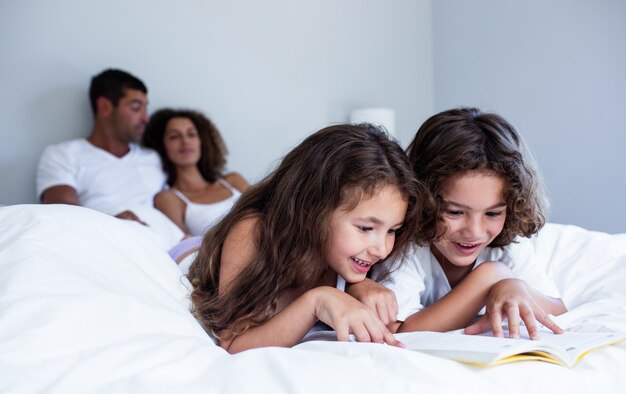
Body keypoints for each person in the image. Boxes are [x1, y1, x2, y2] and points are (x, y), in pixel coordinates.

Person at [187, 124, 436, 353]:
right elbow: (233, 343)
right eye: (364, 228)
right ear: (312, 210)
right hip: (192, 253)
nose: (382, 250)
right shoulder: (253, 233)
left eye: (392, 230)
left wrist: (356, 286)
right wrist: (317, 300)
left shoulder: (355, 258)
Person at [348, 107, 567, 340]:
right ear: (423, 198)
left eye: (493, 213)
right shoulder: (407, 248)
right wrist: (489, 278)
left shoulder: (508, 247)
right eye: (454, 212)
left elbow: (558, 310)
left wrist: (516, 288)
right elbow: (400, 330)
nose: (474, 232)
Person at [36, 68, 183, 248]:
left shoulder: (153, 157)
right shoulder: (63, 154)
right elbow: (62, 209)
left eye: (146, 108)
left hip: (169, 244)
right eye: (136, 108)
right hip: (107, 242)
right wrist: (110, 222)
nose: (145, 118)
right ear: (105, 107)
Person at [142, 109, 249, 237]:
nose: (185, 141)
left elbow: (269, 212)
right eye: (174, 136)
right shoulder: (169, 199)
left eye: (191, 134)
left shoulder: (233, 181)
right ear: (162, 146)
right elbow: (185, 246)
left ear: (201, 141)